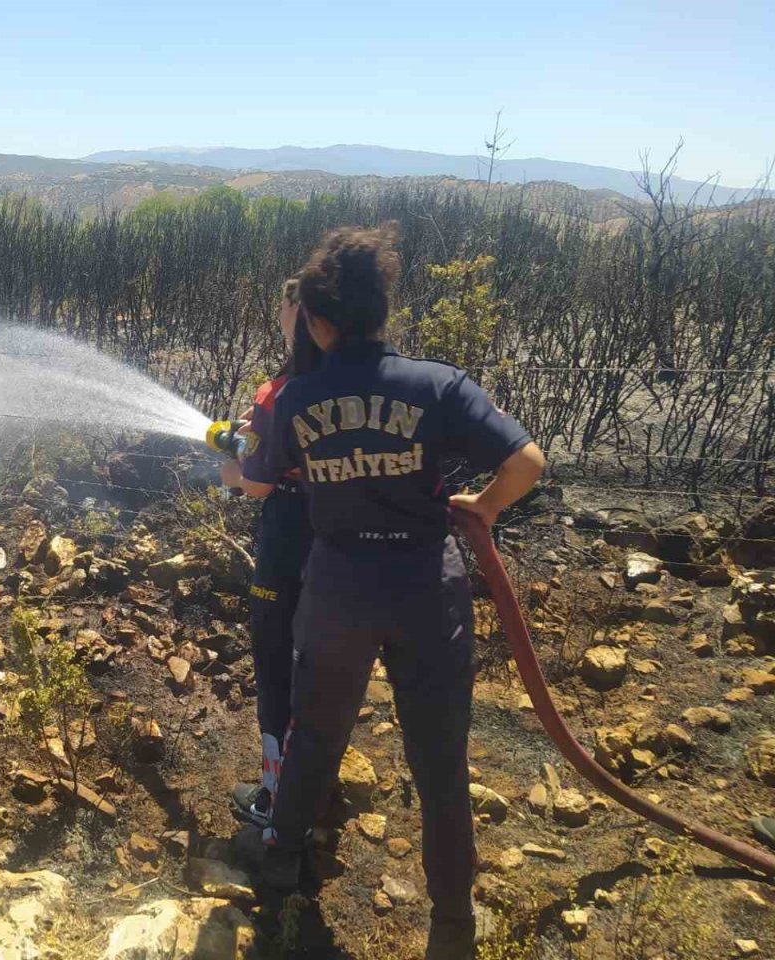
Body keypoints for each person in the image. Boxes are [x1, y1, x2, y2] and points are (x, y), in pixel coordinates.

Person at [238, 225, 546, 960]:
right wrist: (484, 507)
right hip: (423, 588)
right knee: (439, 760)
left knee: (316, 733)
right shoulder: (437, 385)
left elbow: (257, 478)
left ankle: (280, 870)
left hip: (338, 588)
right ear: (383, 310)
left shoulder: (297, 396)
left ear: (316, 321)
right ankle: (452, 931)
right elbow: (528, 460)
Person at [219, 279, 319, 829]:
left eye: (283, 305)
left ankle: (275, 799)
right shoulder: (351, 383)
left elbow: (255, 485)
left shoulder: (278, 392)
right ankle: (316, 780)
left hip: (287, 541)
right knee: (323, 664)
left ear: (298, 312)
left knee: (276, 658)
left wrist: (232, 464)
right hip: (343, 549)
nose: (278, 313)